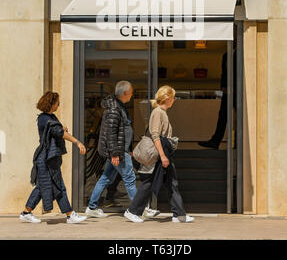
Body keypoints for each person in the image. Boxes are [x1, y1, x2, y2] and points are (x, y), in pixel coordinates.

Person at [85, 81, 157, 219]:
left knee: (105, 179)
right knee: (130, 179)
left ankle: (91, 207)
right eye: (131, 93)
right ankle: (137, 210)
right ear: (125, 93)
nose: (132, 95)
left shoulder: (118, 106)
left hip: (120, 150)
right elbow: (111, 134)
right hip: (118, 152)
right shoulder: (114, 109)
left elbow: (122, 132)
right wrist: (115, 153)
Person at [124, 85, 195, 223]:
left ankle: (179, 214)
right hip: (159, 153)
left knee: (170, 183)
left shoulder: (161, 112)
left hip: (162, 152)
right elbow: (155, 136)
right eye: (173, 97)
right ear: (168, 98)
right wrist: (162, 156)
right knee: (150, 183)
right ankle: (132, 211)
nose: (174, 100)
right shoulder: (158, 112)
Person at [20, 91, 87, 224]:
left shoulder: (51, 117)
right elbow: (59, 132)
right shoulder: (44, 119)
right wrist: (77, 142)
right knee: (58, 185)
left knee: (42, 186)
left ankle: (26, 213)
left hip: (50, 158)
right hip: (46, 159)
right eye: (57, 103)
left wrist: (62, 129)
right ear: (51, 104)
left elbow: (58, 130)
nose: (59, 105)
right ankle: (69, 215)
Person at [198, 50, 236, 150]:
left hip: (239, 90)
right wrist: (223, 86)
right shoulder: (226, 55)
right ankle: (216, 141)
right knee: (223, 115)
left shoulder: (241, 52)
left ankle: (236, 142)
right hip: (228, 90)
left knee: (239, 117)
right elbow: (224, 72)